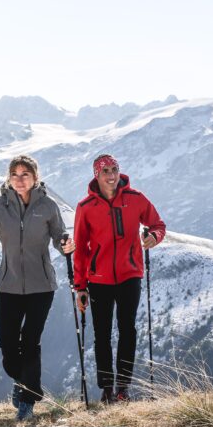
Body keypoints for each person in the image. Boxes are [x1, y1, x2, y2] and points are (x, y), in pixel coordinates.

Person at [0, 155, 74, 420]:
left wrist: (65, 246)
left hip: (42, 286)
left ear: (35, 178)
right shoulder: (0, 206)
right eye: (14, 174)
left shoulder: (48, 206)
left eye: (25, 174)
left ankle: (28, 397)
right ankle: (28, 384)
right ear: (9, 178)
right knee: (7, 345)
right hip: (8, 285)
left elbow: (59, 238)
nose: (19, 179)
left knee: (30, 342)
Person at [73, 154, 165, 404]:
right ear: (97, 175)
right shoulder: (85, 207)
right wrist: (80, 287)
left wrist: (154, 237)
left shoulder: (135, 199)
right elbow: (80, 249)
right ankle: (106, 388)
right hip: (99, 279)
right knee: (102, 334)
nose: (111, 175)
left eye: (114, 169)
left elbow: (157, 224)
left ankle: (123, 388)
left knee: (127, 331)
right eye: (105, 171)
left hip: (129, 275)